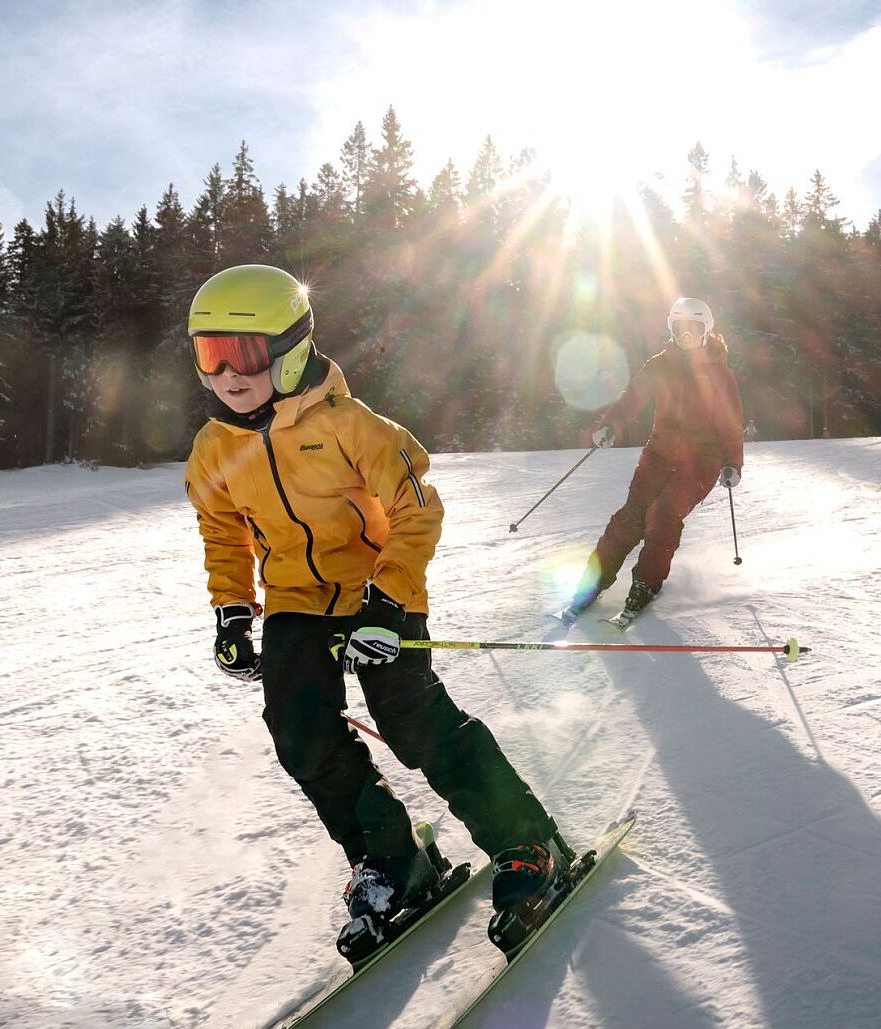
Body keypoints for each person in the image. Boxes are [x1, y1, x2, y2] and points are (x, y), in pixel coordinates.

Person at [183, 264, 562, 946]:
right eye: (209, 355)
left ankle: (526, 843)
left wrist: (387, 604)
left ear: (291, 347)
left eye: (241, 354)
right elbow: (222, 532)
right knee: (300, 734)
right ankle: (389, 858)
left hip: (377, 591)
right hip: (297, 601)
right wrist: (232, 609)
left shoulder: (353, 427)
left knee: (413, 722)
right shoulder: (214, 448)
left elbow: (416, 511)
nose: (227, 375)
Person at [563, 297, 744, 623]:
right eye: (679, 330)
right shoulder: (659, 365)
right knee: (631, 517)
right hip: (659, 453)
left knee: (663, 515)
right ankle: (592, 583)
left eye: (693, 330)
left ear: (706, 332)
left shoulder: (719, 374)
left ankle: (646, 585)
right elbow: (631, 399)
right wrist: (610, 425)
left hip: (701, 461)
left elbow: (730, 423)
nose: (685, 337)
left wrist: (733, 463)